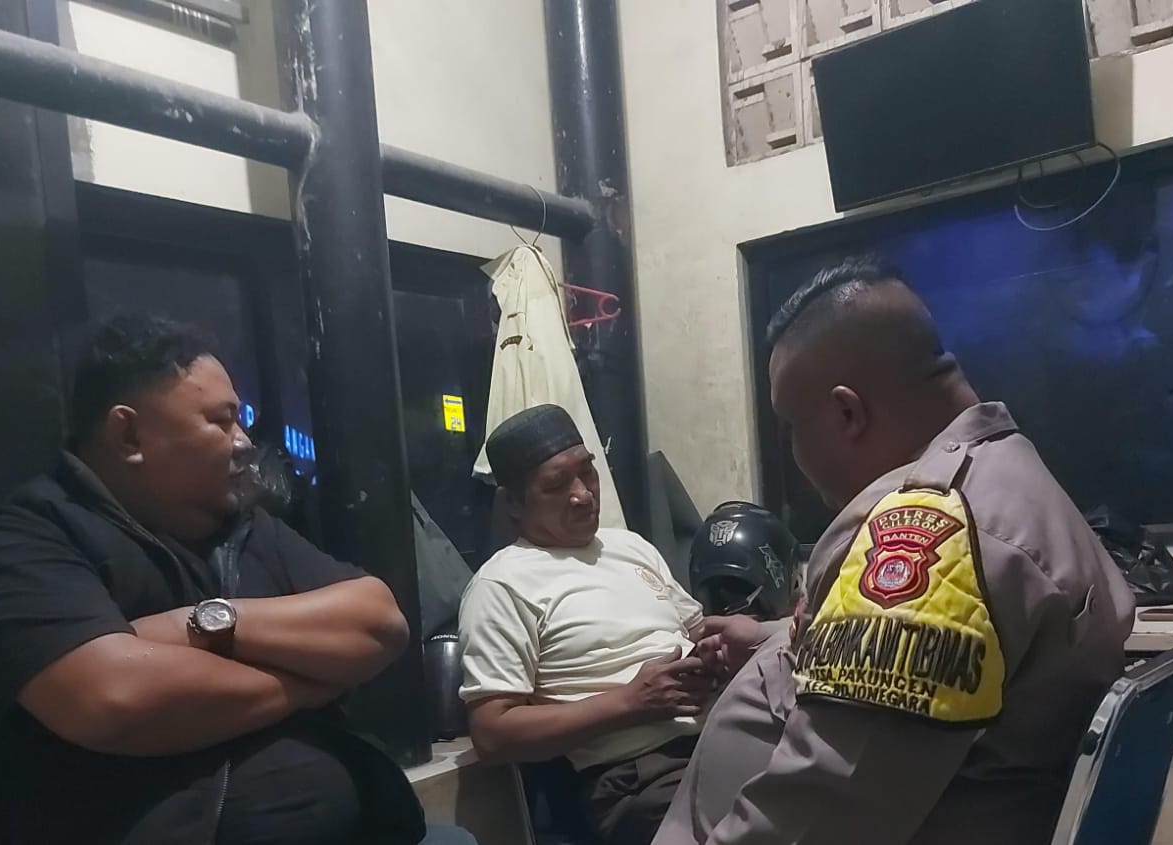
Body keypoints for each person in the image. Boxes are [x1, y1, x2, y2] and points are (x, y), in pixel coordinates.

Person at [0, 314, 474, 845]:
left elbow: (378, 622)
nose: (244, 442)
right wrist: (306, 685)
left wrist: (198, 626)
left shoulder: (244, 527)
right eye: (221, 421)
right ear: (128, 434)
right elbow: (115, 699)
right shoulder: (15, 543)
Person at [654, 258, 1135, 845]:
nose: (794, 456)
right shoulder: (1003, 475)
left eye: (791, 429)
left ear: (847, 413)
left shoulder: (933, 535)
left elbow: (823, 814)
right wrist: (770, 635)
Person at [458, 404, 719, 845]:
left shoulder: (630, 547)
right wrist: (632, 702)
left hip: (718, 736)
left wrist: (719, 648)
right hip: (637, 775)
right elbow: (492, 733)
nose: (583, 494)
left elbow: (696, 631)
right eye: (556, 485)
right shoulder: (502, 584)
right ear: (514, 503)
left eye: (587, 472)